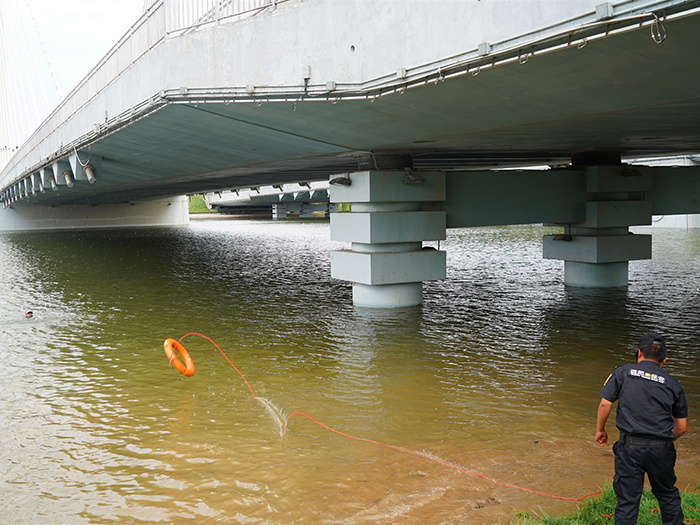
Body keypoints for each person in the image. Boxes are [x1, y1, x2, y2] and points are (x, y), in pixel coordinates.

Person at [595, 333, 688, 525]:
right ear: (664, 360)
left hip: (630, 447)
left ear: (639, 353)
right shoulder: (674, 384)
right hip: (661, 448)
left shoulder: (623, 373)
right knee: (667, 494)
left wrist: (600, 430)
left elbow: (605, 404)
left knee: (628, 499)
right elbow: (682, 427)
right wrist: (663, 440)